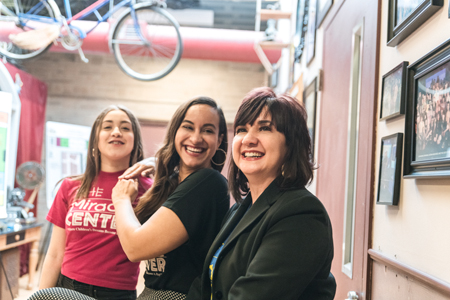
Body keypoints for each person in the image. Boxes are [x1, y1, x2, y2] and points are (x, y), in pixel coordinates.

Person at [186, 87, 336, 300]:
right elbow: (204, 285)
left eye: (264, 128)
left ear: (291, 144)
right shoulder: (239, 209)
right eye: (241, 129)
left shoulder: (301, 213)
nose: (248, 139)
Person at [111, 96, 230, 300]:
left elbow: (135, 248)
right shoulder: (175, 182)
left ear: (219, 140)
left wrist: (121, 199)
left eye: (208, 130)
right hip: (149, 294)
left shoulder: (209, 182)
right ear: (175, 132)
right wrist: (158, 163)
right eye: (188, 127)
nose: (196, 138)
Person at [39, 105, 153, 300]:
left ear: (135, 141)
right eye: (108, 127)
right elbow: (55, 254)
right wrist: (41, 295)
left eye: (125, 128)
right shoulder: (70, 186)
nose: (116, 132)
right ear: (95, 139)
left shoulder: (149, 190)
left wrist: (158, 163)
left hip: (118, 294)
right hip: (67, 289)